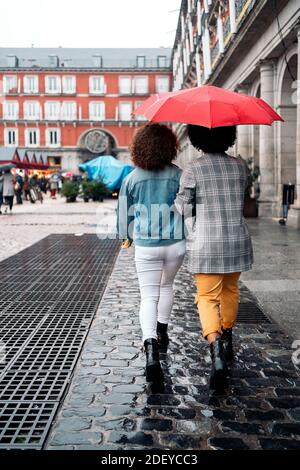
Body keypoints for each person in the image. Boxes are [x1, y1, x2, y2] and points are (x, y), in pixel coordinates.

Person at [175, 125, 253, 391]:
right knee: (231, 290)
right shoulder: (240, 166)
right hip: (236, 239)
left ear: (197, 139)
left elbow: (183, 207)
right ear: (228, 136)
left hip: (206, 242)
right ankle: (227, 335)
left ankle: (216, 347)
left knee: (207, 297)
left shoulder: (194, 168)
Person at [117, 123, 186, 383]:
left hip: (146, 245)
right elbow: (189, 208)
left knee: (148, 295)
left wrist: (126, 236)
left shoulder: (132, 178)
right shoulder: (178, 175)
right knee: (167, 286)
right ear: (170, 147)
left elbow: (123, 214)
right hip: (175, 243)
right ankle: (163, 331)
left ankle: (151, 349)